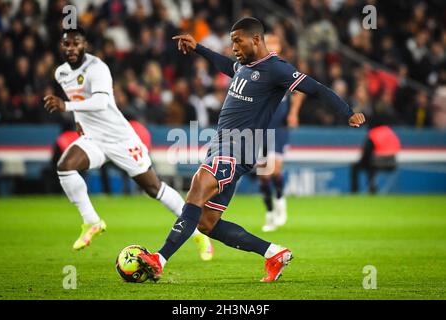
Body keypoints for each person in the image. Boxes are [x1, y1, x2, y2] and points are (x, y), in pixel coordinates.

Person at [137, 17, 365, 282]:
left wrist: (347, 113)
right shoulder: (244, 66)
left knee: (197, 187)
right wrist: (199, 48)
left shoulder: (277, 68)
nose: (233, 47)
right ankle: (273, 253)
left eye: (237, 41)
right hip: (222, 146)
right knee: (206, 223)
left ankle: (159, 259)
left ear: (255, 39)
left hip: (237, 147)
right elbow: (226, 65)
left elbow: (315, 89)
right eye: (231, 41)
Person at [43, 27, 214, 261]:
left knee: (154, 189)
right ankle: (91, 221)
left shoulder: (97, 68)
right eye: (67, 44)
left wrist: (66, 107)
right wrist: (77, 120)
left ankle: (197, 233)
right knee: (65, 166)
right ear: (61, 47)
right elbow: (78, 99)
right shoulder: (61, 73)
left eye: (76, 43)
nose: (71, 48)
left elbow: (101, 101)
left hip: (120, 138)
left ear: (85, 45)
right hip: (93, 138)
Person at [258, 33, 305, 232]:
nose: (272, 46)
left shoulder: (284, 68)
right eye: (268, 43)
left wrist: (294, 112)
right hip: (260, 128)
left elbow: (301, 90)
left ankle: (280, 200)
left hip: (278, 127)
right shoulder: (254, 68)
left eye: (275, 43)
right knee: (263, 174)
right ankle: (269, 213)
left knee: (274, 170)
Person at [351, 117, 401, 194]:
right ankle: (372, 188)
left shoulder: (374, 133)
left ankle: (356, 191)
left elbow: (367, 152)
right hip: (393, 162)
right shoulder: (390, 131)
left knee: (358, 166)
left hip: (377, 162)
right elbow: (398, 146)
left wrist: (362, 162)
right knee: (370, 165)